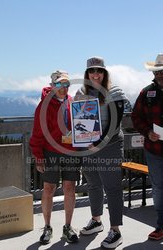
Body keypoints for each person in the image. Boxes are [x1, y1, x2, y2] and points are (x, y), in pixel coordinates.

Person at [75, 56, 127, 249]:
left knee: (112, 187)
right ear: (87, 73)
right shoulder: (81, 91)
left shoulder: (115, 92)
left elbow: (114, 124)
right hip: (88, 146)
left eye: (99, 71)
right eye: (91, 71)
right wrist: (81, 139)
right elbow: (78, 118)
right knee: (94, 184)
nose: (95, 74)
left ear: (105, 73)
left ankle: (116, 231)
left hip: (110, 145)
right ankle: (96, 220)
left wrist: (97, 143)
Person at [29, 70, 80, 245]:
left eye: (66, 84)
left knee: (70, 189)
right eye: (59, 84)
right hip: (50, 152)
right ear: (52, 86)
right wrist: (38, 157)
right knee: (49, 189)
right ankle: (47, 227)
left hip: (70, 152)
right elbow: (37, 134)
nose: (63, 88)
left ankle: (68, 227)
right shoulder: (43, 106)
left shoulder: (72, 102)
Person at [131, 53, 163, 241]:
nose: (159, 74)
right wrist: (147, 132)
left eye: (162, 71)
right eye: (157, 71)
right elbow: (136, 117)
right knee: (158, 188)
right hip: (154, 150)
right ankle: (160, 226)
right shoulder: (145, 93)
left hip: (154, 151)